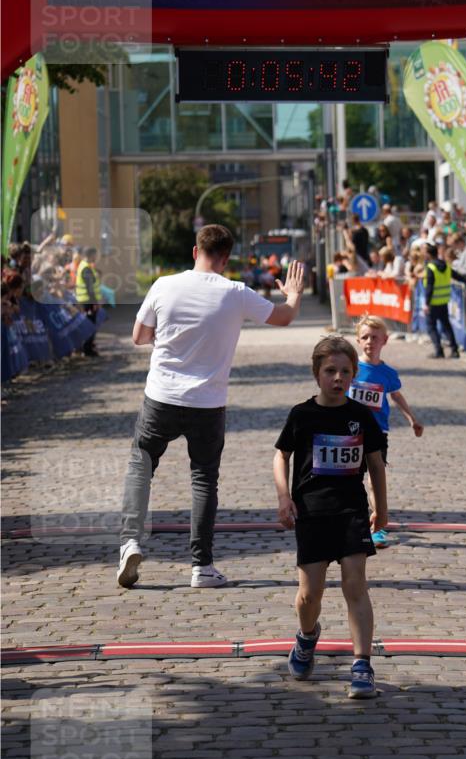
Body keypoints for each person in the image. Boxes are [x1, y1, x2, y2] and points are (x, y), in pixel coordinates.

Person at [117, 224, 305, 589]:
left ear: (195, 251)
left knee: (141, 465)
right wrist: (294, 295)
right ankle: (201, 566)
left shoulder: (164, 285)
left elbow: (139, 336)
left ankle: (130, 543)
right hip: (208, 402)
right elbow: (284, 317)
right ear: (226, 258)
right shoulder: (236, 293)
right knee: (203, 478)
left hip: (161, 397)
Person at [273, 335, 387, 700]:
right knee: (310, 595)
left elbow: (376, 464)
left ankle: (362, 666)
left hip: (351, 511)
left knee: (355, 585)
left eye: (345, 372)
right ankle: (307, 637)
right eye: (330, 371)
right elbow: (281, 455)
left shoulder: (361, 416)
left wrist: (382, 508)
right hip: (311, 513)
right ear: (316, 374)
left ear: (353, 375)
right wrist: (284, 497)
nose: (338, 378)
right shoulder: (301, 415)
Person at [349, 314, 424, 548]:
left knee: (374, 481)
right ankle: (353, 522)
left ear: (385, 340)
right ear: (358, 340)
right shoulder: (350, 368)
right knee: (350, 480)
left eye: (375, 337)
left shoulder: (388, 373)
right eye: (365, 337)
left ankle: (377, 527)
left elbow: (396, 396)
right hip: (350, 432)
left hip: (377, 433)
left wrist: (412, 419)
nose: (370, 342)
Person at [423, 243, 460, 359]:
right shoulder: (446, 265)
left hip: (433, 303)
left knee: (431, 327)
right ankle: (454, 350)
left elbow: (429, 287)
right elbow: (457, 276)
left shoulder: (431, 268)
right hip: (443, 302)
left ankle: (439, 351)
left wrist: (426, 303)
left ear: (429, 254)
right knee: (446, 326)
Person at [75, 246, 102, 357]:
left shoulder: (84, 266)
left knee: (89, 324)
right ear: (91, 255)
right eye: (95, 255)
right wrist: (95, 302)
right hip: (87, 301)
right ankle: (87, 349)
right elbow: (90, 287)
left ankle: (88, 348)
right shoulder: (86, 268)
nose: (96, 257)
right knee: (90, 325)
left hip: (85, 300)